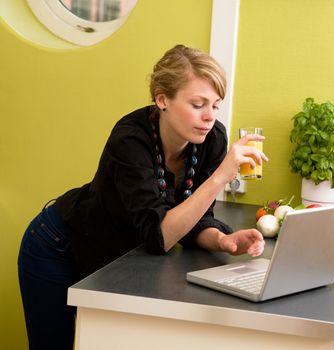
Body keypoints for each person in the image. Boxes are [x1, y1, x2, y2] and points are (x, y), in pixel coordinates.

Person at [17, 44, 268, 350]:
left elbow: (195, 221)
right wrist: (221, 176)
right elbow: (159, 235)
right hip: (57, 246)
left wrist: (222, 240)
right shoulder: (130, 139)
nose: (209, 117)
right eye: (198, 104)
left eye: (215, 106)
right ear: (162, 98)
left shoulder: (212, 139)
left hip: (117, 256)